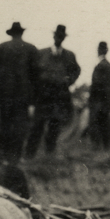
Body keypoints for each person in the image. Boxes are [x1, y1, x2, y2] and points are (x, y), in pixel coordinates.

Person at [26, 24, 81, 158]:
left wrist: (68, 82)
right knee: (37, 125)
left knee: (54, 126)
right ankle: (29, 155)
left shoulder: (69, 55)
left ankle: (49, 156)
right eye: (57, 36)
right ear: (53, 36)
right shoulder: (42, 53)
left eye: (61, 37)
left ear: (63, 38)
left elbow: (76, 71)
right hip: (43, 96)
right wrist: (38, 86)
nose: (59, 39)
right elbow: (32, 72)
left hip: (59, 97)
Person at [0, 21, 38, 162]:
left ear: (11, 34)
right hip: (23, 97)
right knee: (20, 127)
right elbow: (35, 78)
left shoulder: (3, 47)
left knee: (5, 125)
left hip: (5, 96)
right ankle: (17, 157)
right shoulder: (31, 49)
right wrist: (32, 101)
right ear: (22, 33)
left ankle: (5, 157)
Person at [86, 41, 110, 149]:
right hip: (108, 103)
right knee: (106, 126)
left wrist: (91, 101)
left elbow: (95, 85)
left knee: (95, 126)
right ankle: (106, 151)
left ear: (99, 51)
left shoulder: (99, 67)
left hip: (98, 102)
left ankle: (96, 150)